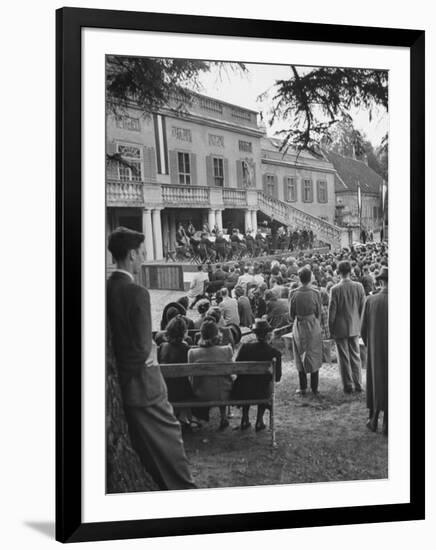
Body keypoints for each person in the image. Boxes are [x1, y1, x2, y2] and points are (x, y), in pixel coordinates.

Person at [106, 227, 196, 490]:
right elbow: (143, 347)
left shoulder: (106, 287)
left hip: (127, 388)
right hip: (144, 387)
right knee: (171, 444)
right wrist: (148, 355)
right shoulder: (137, 292)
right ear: (132, 254)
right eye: (143, 253)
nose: (144, 258)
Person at [231, 319, 282, 431]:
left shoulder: (244, 347)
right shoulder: (274, 353)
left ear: (255, 334)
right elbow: (277, 378)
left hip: (242, 391)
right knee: (264, 383)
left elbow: (237, 369)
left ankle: (245, 418)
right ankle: (259, 420)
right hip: (262, 392)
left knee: (246, 381)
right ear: (269, 335)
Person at [188, 320, 234, 430]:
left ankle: (200, 418)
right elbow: (230, 373)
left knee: (208, 382)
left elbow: (192, 378)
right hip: (224, 393)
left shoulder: (192, 353)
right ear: (217, 334)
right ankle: (223, 416)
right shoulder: (227, 350)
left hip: (202, 394)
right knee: (222, 381)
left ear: (201, 335)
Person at [329, 260, 366, 394]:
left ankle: (348, 385)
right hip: (355, 326)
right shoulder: (359, 286)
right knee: (356, 356)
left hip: (340, 327)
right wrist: (361, 325)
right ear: (350, 271)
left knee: (343, 357)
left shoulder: (335, 289)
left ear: (339, 272)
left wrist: (331, 328)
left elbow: (331, 312)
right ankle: (358, 384)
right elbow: (363, 308)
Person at [361, 266, 388, 435]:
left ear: (381, 281)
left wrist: (370, 343)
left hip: (376, 348)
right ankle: (387, 424)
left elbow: (363, 329)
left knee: (376, 383)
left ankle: (373, 419)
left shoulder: (371, 301)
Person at [157, 316, 197, 429]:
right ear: (184, 332)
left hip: (165, 389)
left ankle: (176, 417)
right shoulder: (186, 348)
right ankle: (183, 417)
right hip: (182, 391)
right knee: (184, 383)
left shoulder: (163, 347)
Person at [289, 267, 323, 395]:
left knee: (299, 353)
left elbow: (291, 314)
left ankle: (303, 386)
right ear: (310, 278)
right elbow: (319, 312)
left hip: (299, 325)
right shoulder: (316, 293)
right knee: (314, 354)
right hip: (313, 325)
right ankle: (315, 387)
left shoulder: (293, 293)